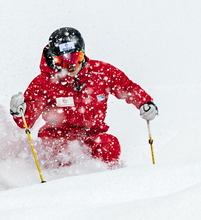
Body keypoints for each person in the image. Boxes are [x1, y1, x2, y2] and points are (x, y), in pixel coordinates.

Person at [9, 26, 157, 167]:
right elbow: (26, 120)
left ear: (83, 53)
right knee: (62, 152)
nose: (70, 65)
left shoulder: (101, 72)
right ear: (54, 60)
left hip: (92, 136)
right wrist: (19, 111)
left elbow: (127, 87)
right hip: (57, 138)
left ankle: (107, 180)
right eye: (62, 61)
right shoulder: (44, 83)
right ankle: (62, 180)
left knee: (109, 145)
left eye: (75, 58)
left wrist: (145, 102)